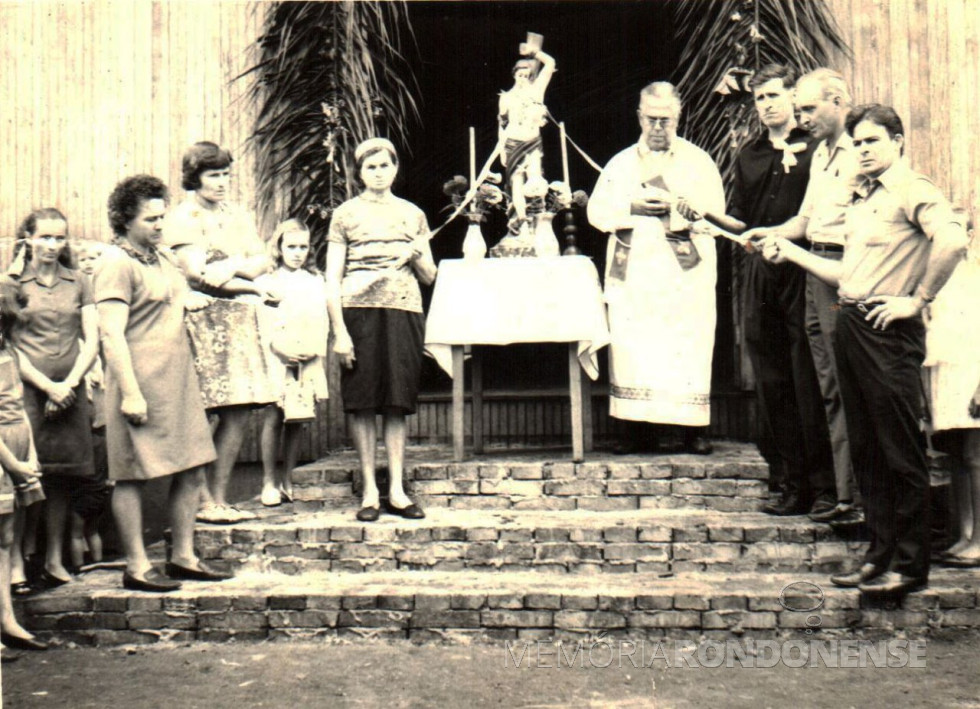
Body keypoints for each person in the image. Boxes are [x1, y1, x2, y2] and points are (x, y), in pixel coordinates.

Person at [760, 104, 969, 597]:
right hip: (851, 321)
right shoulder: (863, 197)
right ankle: (878, 558)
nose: (864, 151)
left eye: (873, 141)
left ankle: (910, 567)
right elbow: (846, 276)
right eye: (857, 144)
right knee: (868, 452)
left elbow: (954, 241)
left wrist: (917, 301)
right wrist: (787, 249)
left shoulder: (913, 189)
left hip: (887, 332)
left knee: (900, 451)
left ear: (898, 141)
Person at [95, 174, 229, 591]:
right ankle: (137, 566)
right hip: (139, 386)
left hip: (178, 381)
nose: (159, 225)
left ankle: (184, 557)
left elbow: (179, 299)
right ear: (125, 220)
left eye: (162, 217)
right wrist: (130, 393)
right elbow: (111, 334)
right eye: (150, 219)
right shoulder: (116, 264)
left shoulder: (164, 258)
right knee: (132, 474)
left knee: (191, 467)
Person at [742, 68, 861, 521]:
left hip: (841, 274)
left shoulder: (855, 153)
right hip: (812, 268)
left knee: (834, 385)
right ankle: (834, 492)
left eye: (809, 108)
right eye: (803, 109)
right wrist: (768, 233)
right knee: (823, 385)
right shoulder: (823, 156)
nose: (802, 117)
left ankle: (846, 494)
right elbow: (805, 223)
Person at [587, 82, 724, 455]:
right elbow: (595, 212)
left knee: (685, 345)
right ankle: (636, 429)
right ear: (639, 117)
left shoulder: (699, 162)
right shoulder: (620, 163)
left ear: (679, 117)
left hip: (685, 275)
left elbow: (716, 217)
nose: (658, 127)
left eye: (666, 120)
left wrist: (680, 209)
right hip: (636, 274)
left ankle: (692, 429)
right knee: (635, 345)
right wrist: (631, 206)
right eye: (651, 119)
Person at [163, 142, 277, 524]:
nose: (222, 182)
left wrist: (230, 267)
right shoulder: (183, 216)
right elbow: (196, 273)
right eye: (214, 175)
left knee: (240, 411)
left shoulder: (236, 214)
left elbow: (263, 261)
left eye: (227, 173)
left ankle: (219, 496)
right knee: (204, 411)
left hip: (239, 319)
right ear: (195, 177)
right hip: (201, 319)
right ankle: (199, 500)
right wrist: (243, 274)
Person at [326, 138, 437, 522]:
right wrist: (339, 331)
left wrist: (417, 253)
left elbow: (429, 275)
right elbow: (332, 277)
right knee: (362, 401)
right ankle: (370, 491)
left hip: (403, 311)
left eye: (384, 166)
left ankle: (397, 490)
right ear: (359, 172)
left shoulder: (413, 215)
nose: (378, 173)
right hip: (358, 312)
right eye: (370, 167)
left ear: (395, 169)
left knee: (396, 400)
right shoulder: (344, 215)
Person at [10, 208, 98, 588]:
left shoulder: (78, 281)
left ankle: (54, 560)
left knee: (61, 478)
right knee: (24, 474)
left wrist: (70, 385)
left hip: (71, 390)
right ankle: (16, 564)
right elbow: (9, 345)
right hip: (27, 391)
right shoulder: (14, 284)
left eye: (59, 237)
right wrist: (48, 387)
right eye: (44, 236)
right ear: (27, 238)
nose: (51, 245)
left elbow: (92, 339)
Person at [256, 219, 328, 507]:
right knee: (275, 415)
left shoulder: (314, 281)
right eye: (291, 247)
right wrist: (278, 348)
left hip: (307, 354)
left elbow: (322, 320)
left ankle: (288, 477)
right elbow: (263, 322)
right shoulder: (267, 281)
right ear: (279, 248)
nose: (297, 253)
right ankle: (268, 480)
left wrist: (314, 349)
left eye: (303, 247)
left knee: (298, 417)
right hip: (278, 355)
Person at [924, 234, 980, 567]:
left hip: (972, 374)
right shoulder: (934, 278)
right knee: (957, 454)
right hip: (944, 373)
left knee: (975, 455)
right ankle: (964, 534)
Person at [0, 275, 47, 652]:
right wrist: (13, 463)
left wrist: (28, 454)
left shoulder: (11, 354)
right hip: (2, 454)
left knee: (6, 538)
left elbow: (20, 408)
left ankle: (7, 619)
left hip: (17, 447)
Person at [69, 241, 111, 571]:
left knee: (88, 523)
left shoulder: (108, 290)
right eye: (82, 257)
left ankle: (90, 566)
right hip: (81, 385)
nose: (88, 262)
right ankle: (79, 568)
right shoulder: (76, 294)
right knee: (79, 524)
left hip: (103, 392)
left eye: (95, 257)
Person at [498, 43, 556, 235]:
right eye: (520, 75)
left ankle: (535, 224)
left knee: (534, 180)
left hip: (532, 144)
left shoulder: (537, 91)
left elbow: (550, 63)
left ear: (531, 76)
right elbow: (502, 126)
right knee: (516, 183)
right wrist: (501, 152)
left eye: (527, 75)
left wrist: (534, 52)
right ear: (514, 75)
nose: (523, 78)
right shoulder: (506, 98)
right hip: (513, 143)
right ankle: (520, 221)